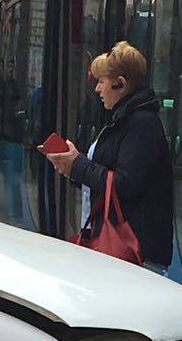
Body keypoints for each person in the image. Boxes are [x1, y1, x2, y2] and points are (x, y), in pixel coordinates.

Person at [42, 41, 174, 274]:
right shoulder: (124, 119)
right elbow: (107, 172)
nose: (97, 89)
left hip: (136, 253)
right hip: (122, 250)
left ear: (120, 83)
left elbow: (125, 183)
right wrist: (72, 167)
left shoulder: (141, 124)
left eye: (101, 81)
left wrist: (79, 166)